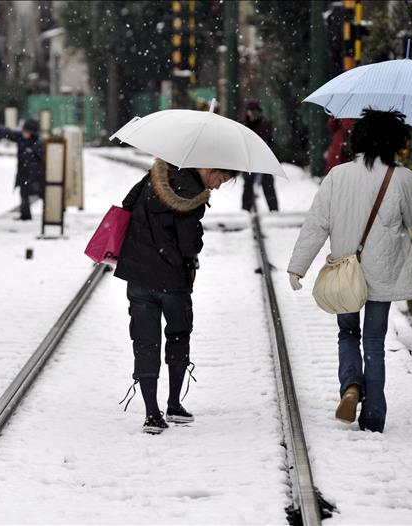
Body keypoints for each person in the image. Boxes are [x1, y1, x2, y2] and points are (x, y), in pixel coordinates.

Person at [286, 109, 412, 433]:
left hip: (345, 273)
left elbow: (316, 225)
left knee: (348, 333)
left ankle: (351, 385)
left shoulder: (338, 176)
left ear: (358, 139)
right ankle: (374, 415)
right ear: (395, 142)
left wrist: (298, 267)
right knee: (375, 340)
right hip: (383, 271)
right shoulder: (402, 178)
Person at [114, 158, 237, 434]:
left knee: (145, 343)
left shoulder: (152, 178)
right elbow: (189, 245)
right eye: (221, 178)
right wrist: (195, 235)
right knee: (178, 335)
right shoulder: (192, 194)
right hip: (172, 281)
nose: (217, 186)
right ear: (208, 167)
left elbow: (127, 204)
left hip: (138, 276)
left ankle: (151, 413)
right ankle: (172, 404)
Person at [0, 119, 44, 221]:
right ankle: (25, 215)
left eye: (26, 132)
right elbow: (8, 133)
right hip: (23, 174)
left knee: (43, 194)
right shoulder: (21, 138)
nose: (24, 133)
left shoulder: (39, 144)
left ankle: (52, 214)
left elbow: (42, 161)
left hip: (36, 176)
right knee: (23, 194)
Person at [241, 99, 278, 212]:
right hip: (249, 160)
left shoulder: (264, 125)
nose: (252, 113)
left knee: (268, 185)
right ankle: (246, 209)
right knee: (248, 185)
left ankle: (274, 210)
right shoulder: (244, 125)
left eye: (254, 110)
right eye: (250, 110)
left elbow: (269, 141)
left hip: (264, 159)